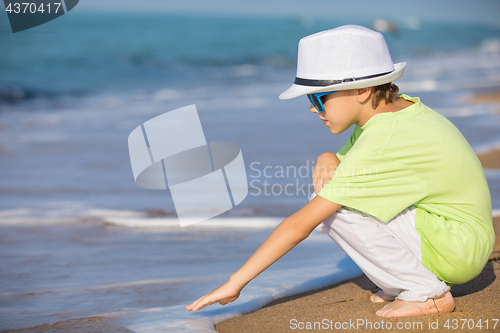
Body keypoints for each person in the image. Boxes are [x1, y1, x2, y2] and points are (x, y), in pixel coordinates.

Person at [186, 25, 494, 317]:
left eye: (318, 98)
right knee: (339, 190)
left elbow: (301, 224)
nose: (312, 109)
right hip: (462, 238)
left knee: (333, 205)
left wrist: (236, 283)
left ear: (361, 90)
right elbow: (350, 164)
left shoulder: (384, 139)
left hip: (458, 249)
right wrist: (326, 155)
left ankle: (427, 293)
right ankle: (407, 280)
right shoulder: (396, 114)